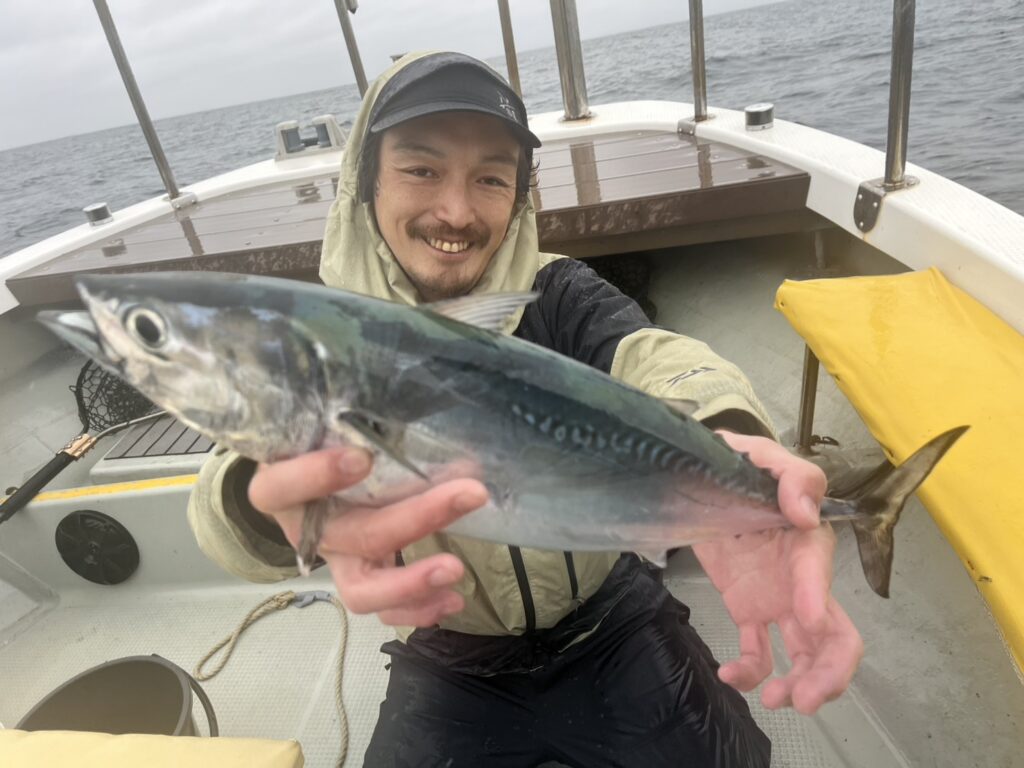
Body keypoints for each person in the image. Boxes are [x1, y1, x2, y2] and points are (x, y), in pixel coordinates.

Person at [187, 51, 863, 766]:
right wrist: (262, 502)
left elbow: (654, 356)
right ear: (365, 180)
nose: (456, 211)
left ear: (517, 196)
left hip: (610, 619)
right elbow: (232, 475)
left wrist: (730, 437)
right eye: (421, 169)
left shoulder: (555, 294)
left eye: (490, 178)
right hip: (450, 654)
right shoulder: (320, 336)